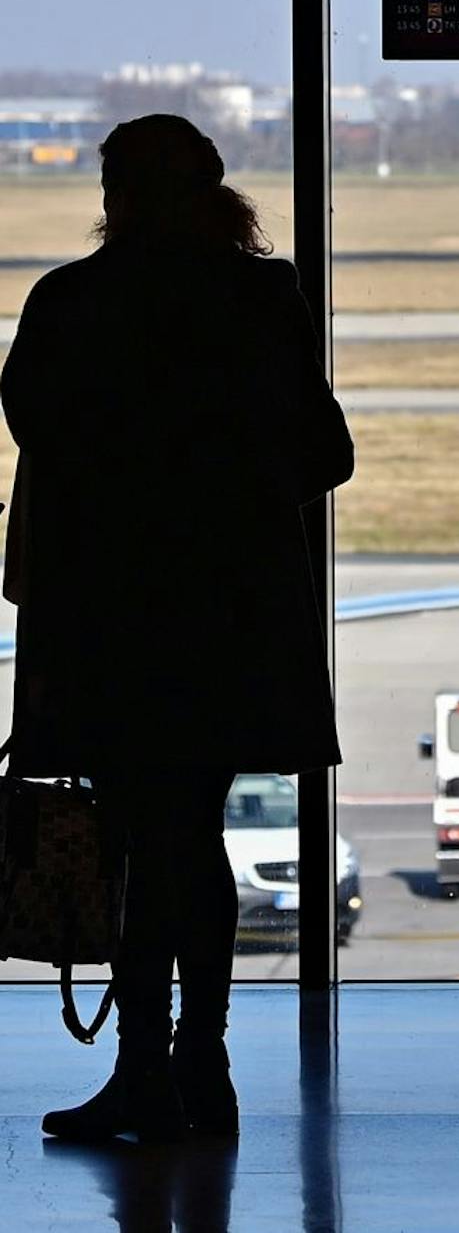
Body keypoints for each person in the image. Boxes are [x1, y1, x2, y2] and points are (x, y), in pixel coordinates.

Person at [2, 116, 352, 1142]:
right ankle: (203, 1059)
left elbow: (41, 438)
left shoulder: (69, 302)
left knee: (136, 838)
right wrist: (231, 509)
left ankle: (146, 1070)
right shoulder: (264, 297)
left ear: (115, 196)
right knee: (194, 835)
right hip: (229, 619)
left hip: (108, 623)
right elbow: (325, 452)